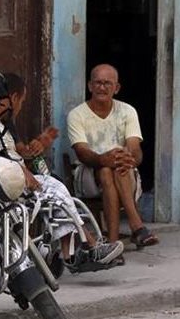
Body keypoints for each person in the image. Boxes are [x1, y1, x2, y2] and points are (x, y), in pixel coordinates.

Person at [2, 72, 123, 269]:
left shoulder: (6, 123)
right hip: (8, 180)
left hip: (16, 175)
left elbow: (20, 152)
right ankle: (90, 247)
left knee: (56, 188)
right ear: (14, 98)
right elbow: (5, 157)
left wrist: (40, 143)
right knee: (56, 192)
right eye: (21, 101)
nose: (21, 106)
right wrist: (24, 170)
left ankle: (70, 253)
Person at [67, 64, 158, 248]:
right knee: (105, 169)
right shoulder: (77, 115)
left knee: (113, 169)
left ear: (116, 88)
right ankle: (137, 226)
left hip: (123, 174)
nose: (102, 87)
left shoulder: (127, 111)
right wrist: (102, 159)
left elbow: (135, 149)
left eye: (107, 83)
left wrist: (126, 158)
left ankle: (113, 243)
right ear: (90, 86)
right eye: (98, 83)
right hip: (88, 176)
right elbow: (82, 152)